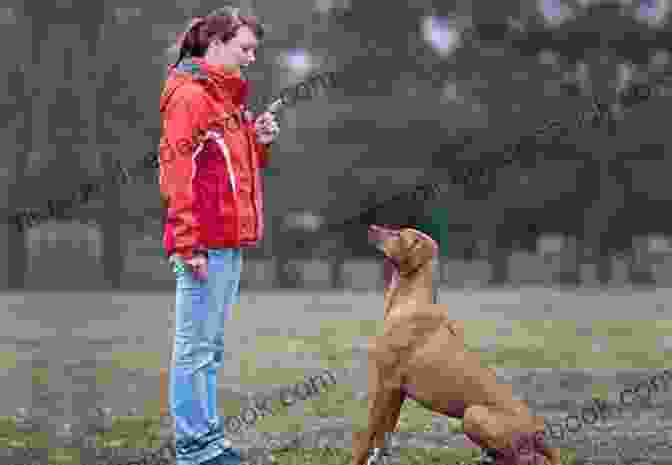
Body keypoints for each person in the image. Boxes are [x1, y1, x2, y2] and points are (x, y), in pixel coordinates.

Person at [158, 6, 280, 465]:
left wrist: (257, 141)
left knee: (209, 349)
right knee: (194, 350)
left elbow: (230, 172)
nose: (252, 58)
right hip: (202, 244)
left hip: (228, 242)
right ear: (217, 43)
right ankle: (195, 450)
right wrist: (187, 242)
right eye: (245, 48)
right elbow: (176, 172)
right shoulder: (190, 95)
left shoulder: (228, 100)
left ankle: (209, 440)